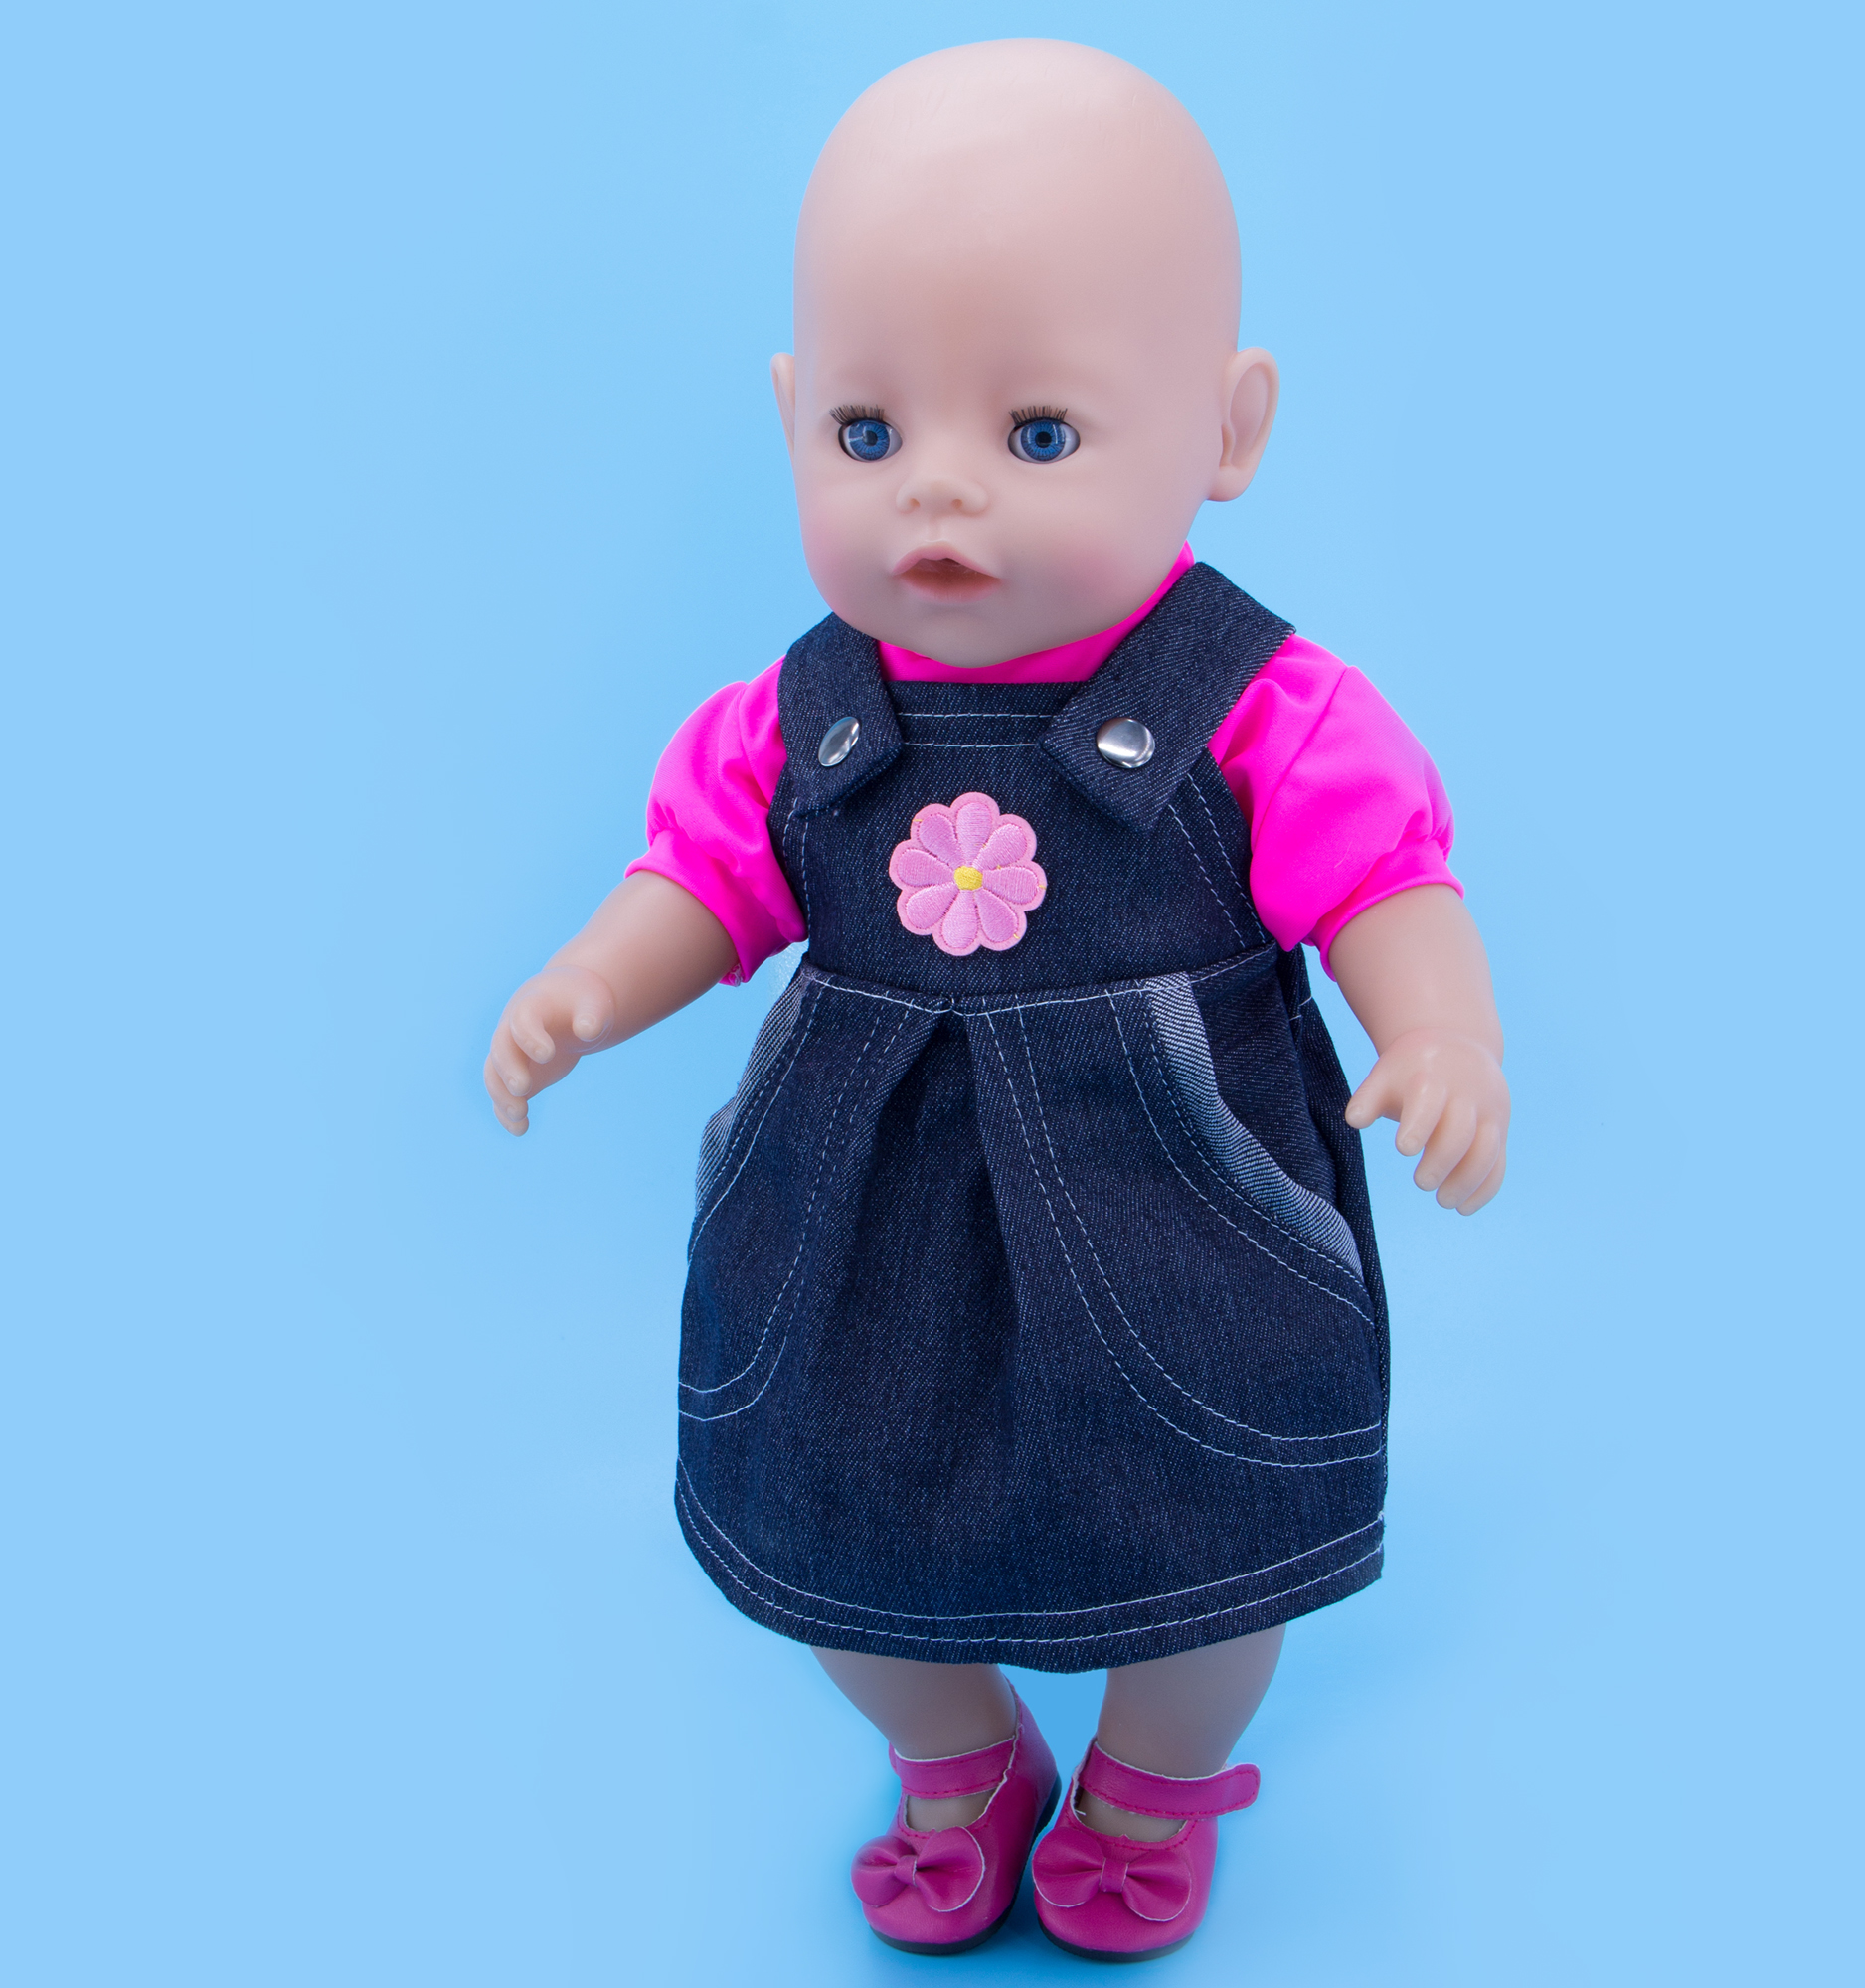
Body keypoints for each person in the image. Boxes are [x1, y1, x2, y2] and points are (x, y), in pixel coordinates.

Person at [485, 39, 1508, 1962]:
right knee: (828, 1518)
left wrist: (1441, 1034)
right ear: (791, 415)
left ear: (1226, 431)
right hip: (856, 1217)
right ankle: (955, 1758)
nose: (937, 489)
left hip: (1179, 1209)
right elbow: (704, 874)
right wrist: (590, 985)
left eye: (1038, 434)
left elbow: (1387, 877)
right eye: (867, 431)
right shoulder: (802, 717)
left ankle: (1147, 1783)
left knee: (1212, 1544)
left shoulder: (1261, 711)